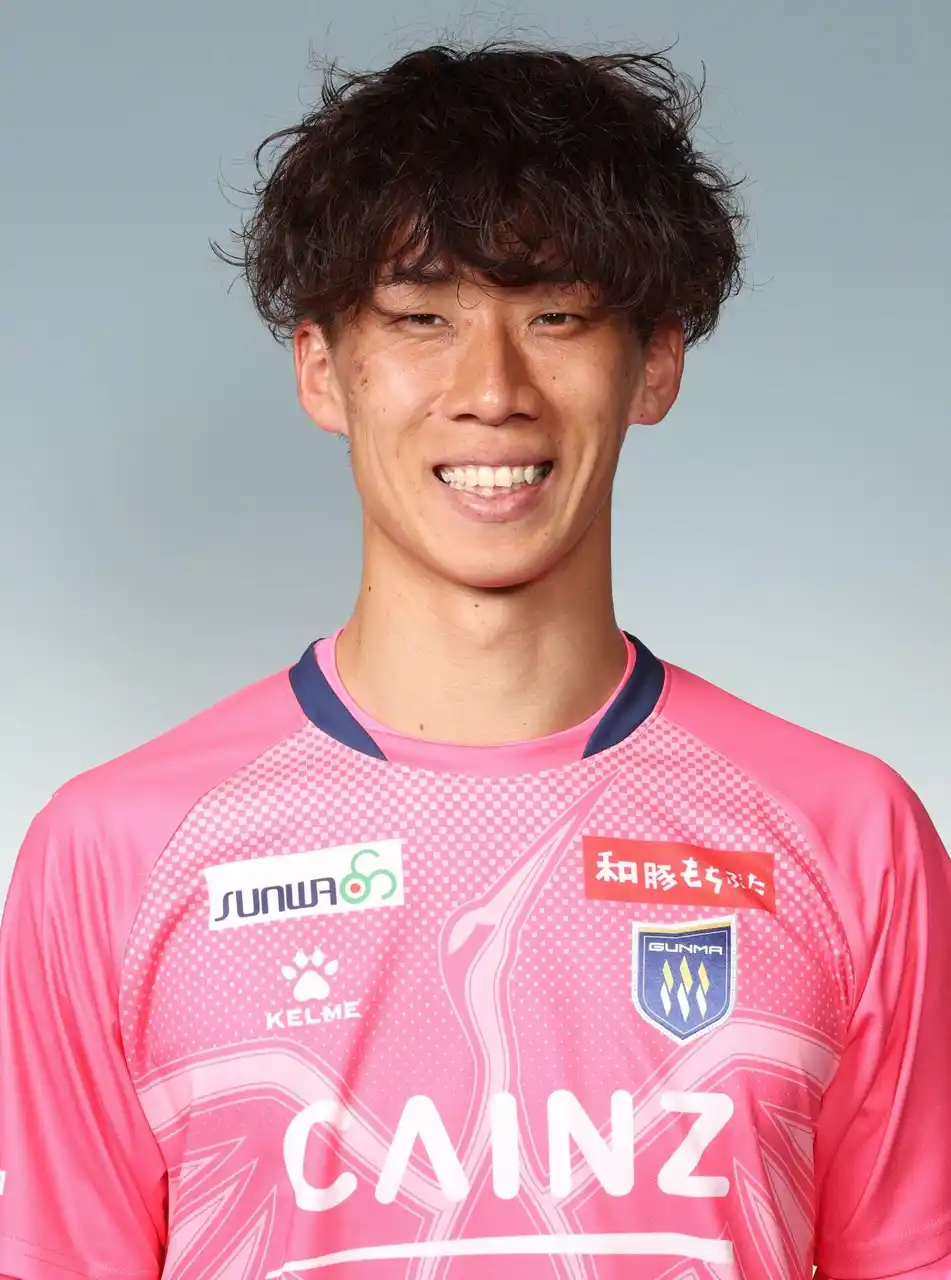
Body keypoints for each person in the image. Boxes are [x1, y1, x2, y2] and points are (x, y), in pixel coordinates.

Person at [1, 39, 949, 1280]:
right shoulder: (110, 858)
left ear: (655, 362)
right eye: (421, 318)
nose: (492, 388)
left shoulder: (852, 839)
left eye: (556, 316)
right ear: (322, 371)